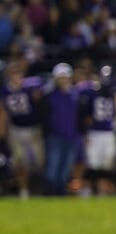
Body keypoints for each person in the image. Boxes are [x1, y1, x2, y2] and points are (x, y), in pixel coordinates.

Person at [3, 58, 45, 198]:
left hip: (34, 128)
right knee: (20, 163)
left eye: (19, 73)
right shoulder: (4, 91)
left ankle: (40, 188)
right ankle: (23, 190)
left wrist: (37, 96)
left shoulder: (30, 86)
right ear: (9, 75)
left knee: (39, 162)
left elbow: (41, 89)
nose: (17, 77)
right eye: (14, 73)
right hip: (16, 129)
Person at [42, 61, 85, 195]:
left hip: (72, 136)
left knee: (65, 170)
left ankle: (60, 195)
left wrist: (81, 134)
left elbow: (81, 116)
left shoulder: (76, 95)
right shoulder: (49, 95)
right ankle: (49, 194)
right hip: (55, 137)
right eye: (60, 77)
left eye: (65, 77)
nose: (63, 80)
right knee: (52, 170)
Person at [82, 63, 116, 195]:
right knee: (92, 163)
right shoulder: (91, 92)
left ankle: (101, 191)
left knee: (106, 164)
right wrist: (86, 132)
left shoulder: (115, 93)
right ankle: (87, 189)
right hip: (95, 132)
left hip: (109, 133)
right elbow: (86, 115)